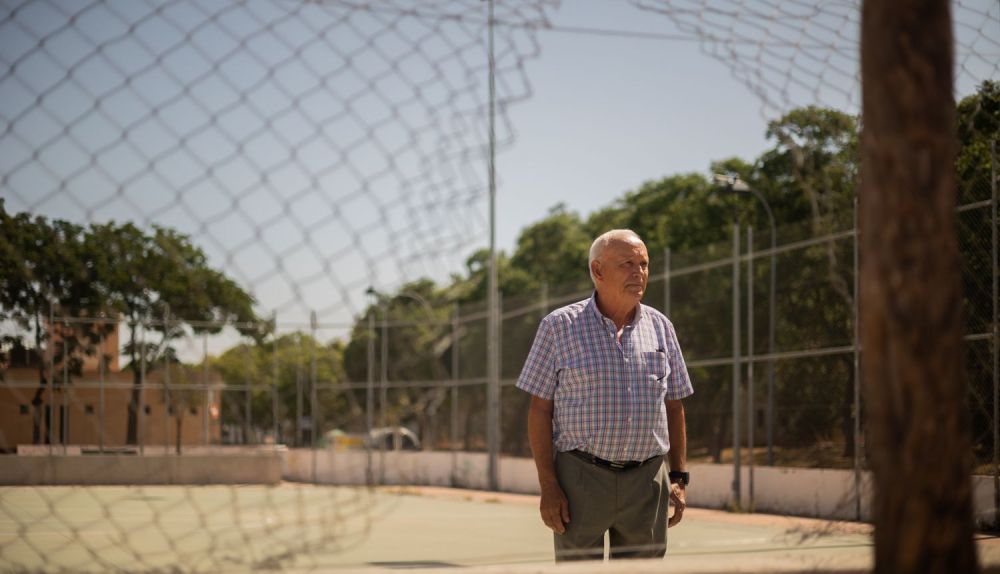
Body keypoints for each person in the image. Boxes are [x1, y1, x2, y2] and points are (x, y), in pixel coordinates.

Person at [516, 229, 693, 561]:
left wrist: (679, 476)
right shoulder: (558, 327)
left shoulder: (661, 327)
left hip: (647, 482)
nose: (638, 272)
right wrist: (549, 485)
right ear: (598, 271)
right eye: (627, 263)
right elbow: (539, 410)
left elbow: (674, 405)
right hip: (580, 480)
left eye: (643, 264)